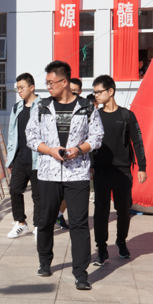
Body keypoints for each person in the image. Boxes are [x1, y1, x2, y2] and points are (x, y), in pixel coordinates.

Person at [25, 60, 103, 290]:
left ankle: (81, 273)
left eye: (51, 82)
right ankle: (44, 261)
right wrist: (50, 150)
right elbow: (31, 137)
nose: (48, 86)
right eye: (47, 83)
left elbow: (97, 137)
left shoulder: (87, 107)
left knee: (79, 224)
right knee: (46, 220)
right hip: (48, 174)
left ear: (65, 82)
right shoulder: (41, 107)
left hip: (77, 174)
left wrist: (78, 149)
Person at [90, 75, 147, 264]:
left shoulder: (127, 115)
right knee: (101, 211)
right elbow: (89, 142)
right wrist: (90, 166)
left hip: (123, 172)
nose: (96, 95)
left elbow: (137, 141)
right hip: (101, 171)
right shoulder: (95, 116)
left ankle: (121, 241)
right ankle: (101, 249)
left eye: (99, 92)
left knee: (123, 210)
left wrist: (142, 166)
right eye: (94, 92)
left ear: (110, 91)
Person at [6, 73, 40, 239]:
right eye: (17, 88)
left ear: (31, 88)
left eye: (22, 88)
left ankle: (39, 226)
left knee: (38, 195)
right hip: (20, 158)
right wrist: (10, 158)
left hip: (38, 159)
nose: (19, 91)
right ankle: (21, 223)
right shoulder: (16, 108)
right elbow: (12, 134)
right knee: (14, 190)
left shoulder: (43, 106)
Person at [54, 78, 83, 230]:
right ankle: (53, 217)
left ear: (80, 92)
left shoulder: (86, 108)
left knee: (71, 196)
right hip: (56, 161)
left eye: (75, 91)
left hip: (78, 163)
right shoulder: (56, 108)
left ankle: (59, 215)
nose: (71, 94)